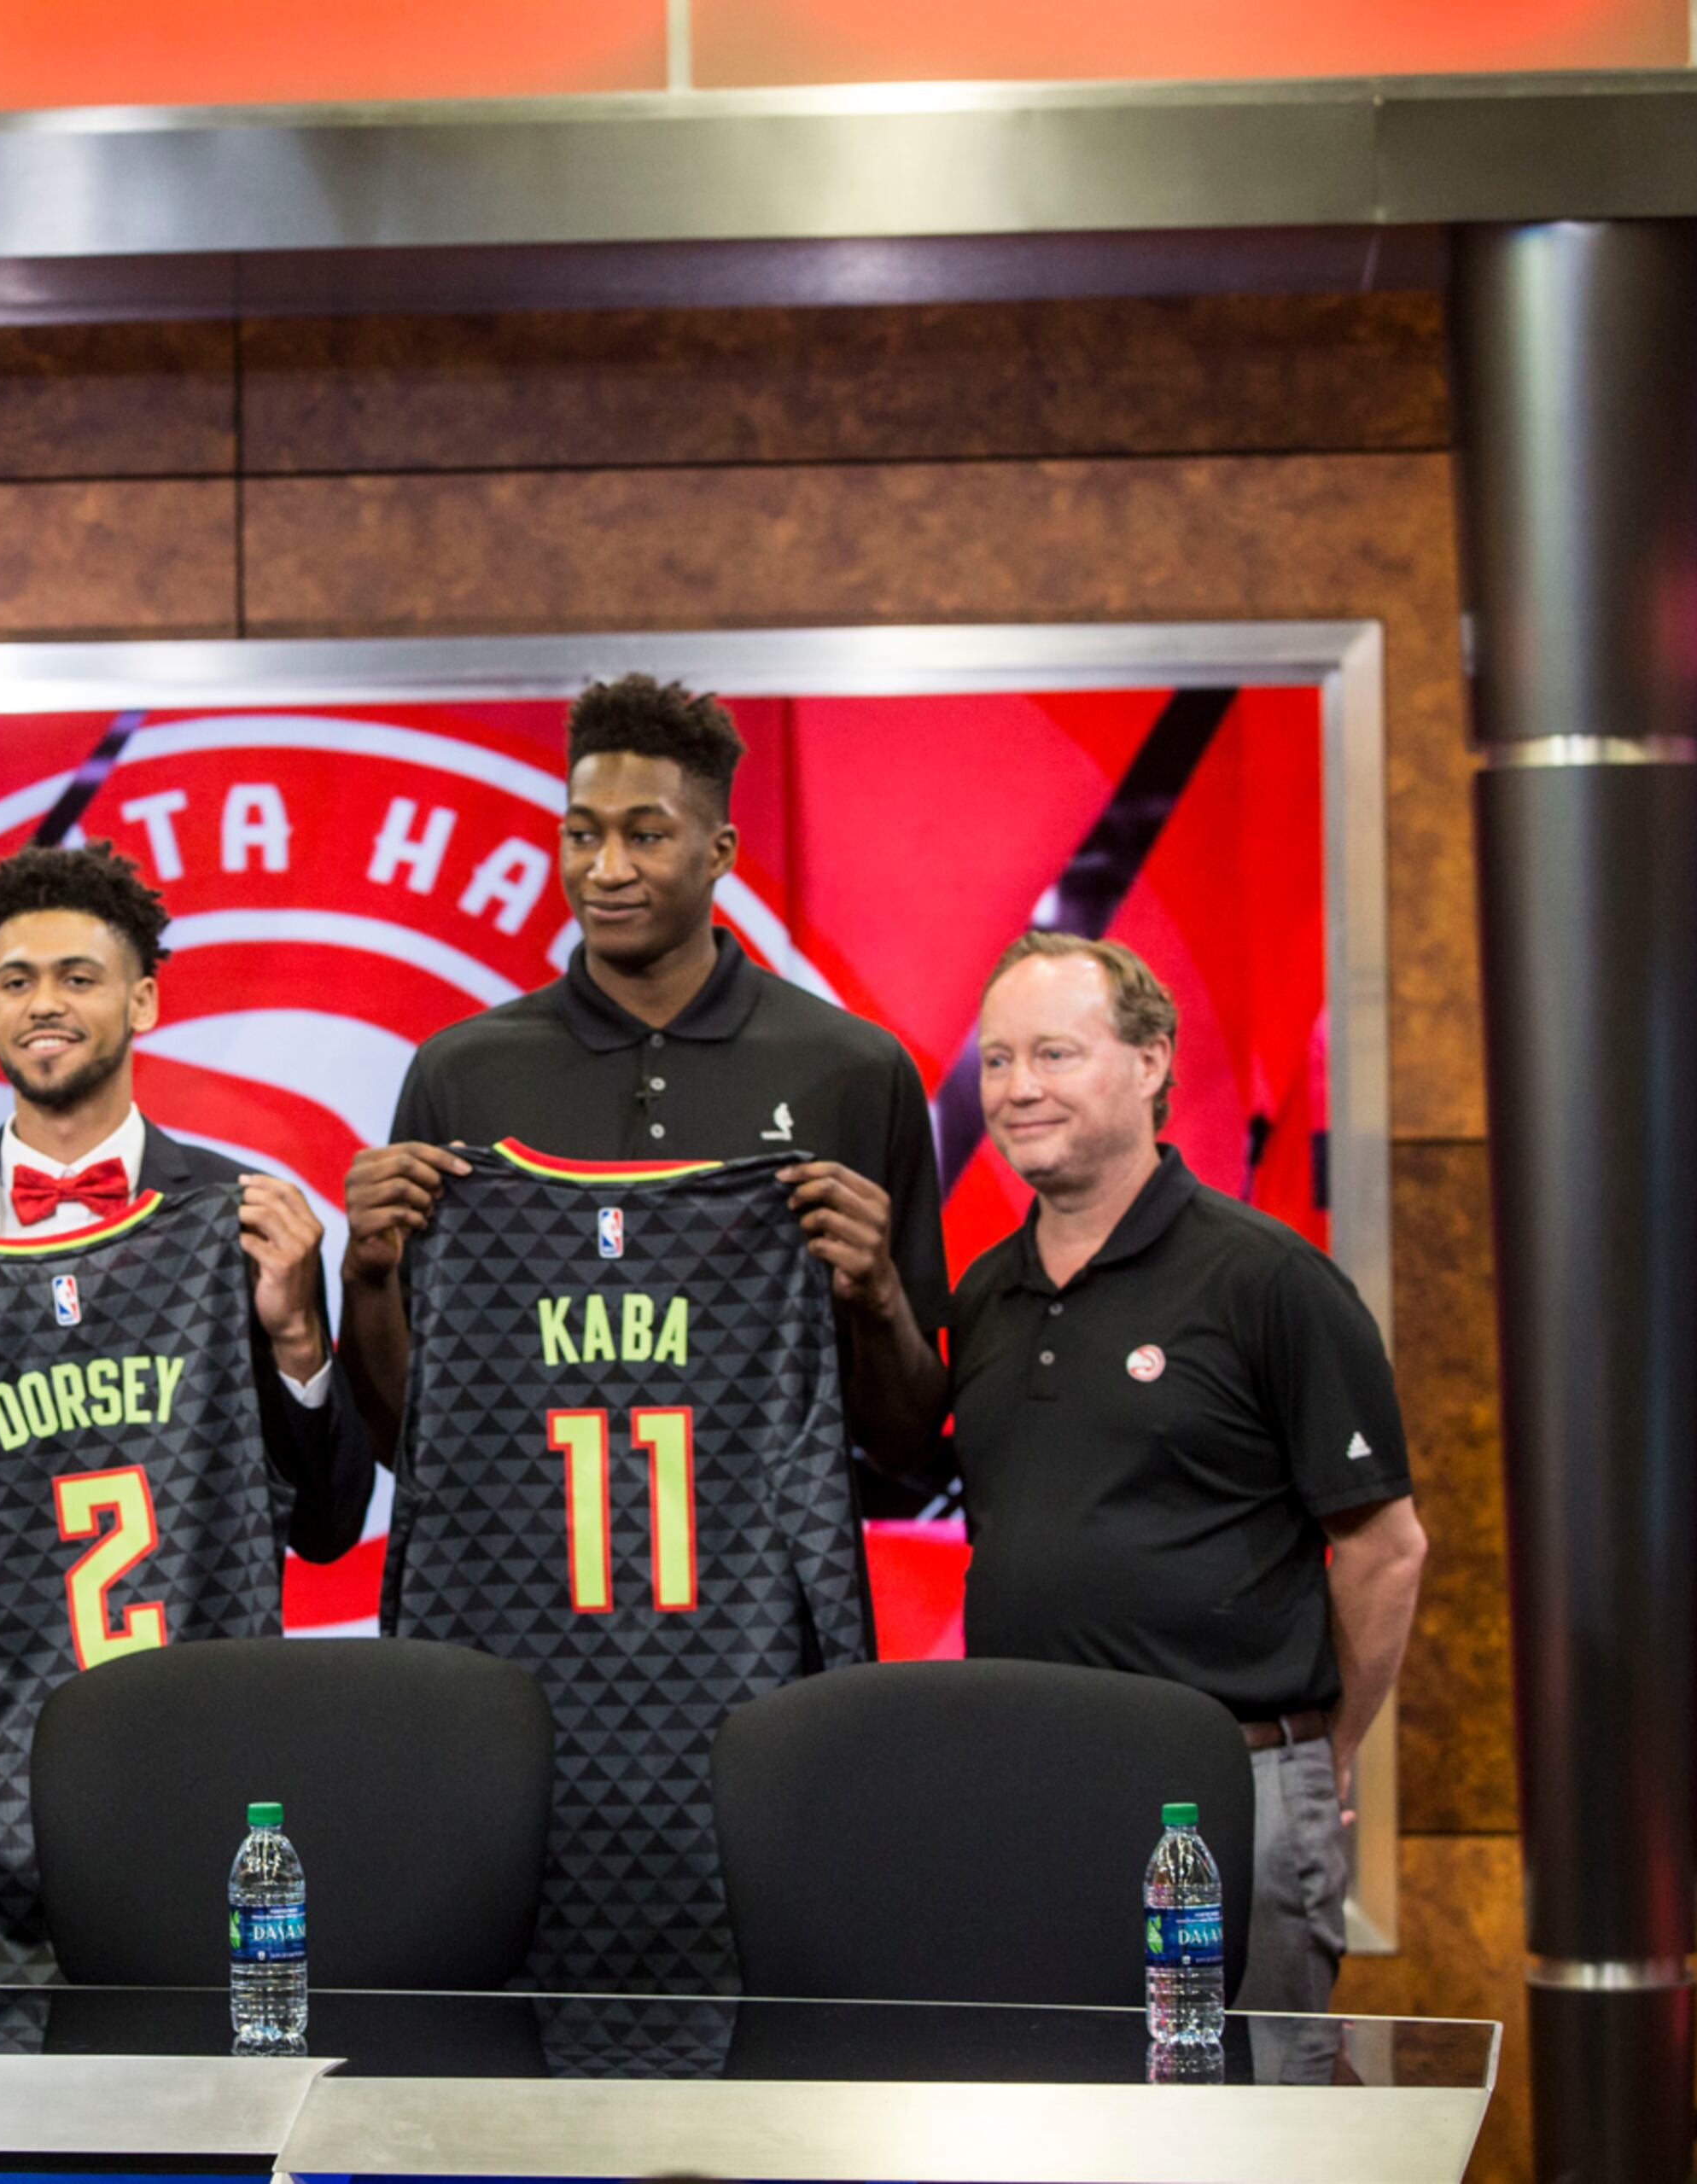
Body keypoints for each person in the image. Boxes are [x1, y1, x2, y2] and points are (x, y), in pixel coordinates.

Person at [947, 931, 1425, 2014]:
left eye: (1055, 1055)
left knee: (1243, 2140)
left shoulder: (1268, 1281)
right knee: (1057, 2134)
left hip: (1223, 1800)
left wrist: (1320, 1757)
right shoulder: (983, 1297)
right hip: (1026, 1793)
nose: (1019, 1089)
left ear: (1153, 1060)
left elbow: (1385, 1549)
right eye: (997, 1061)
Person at [339, 673, 948, 1478]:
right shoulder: (460, 1071)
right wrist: (366, 1277)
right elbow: (403, 1443)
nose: (606, 869)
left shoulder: (853, 1069)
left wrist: (877, 1299)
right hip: (518, 1591)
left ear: (720, 851)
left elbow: (908, 1444)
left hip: (764, 1597)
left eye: (647, 836)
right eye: (582, 835)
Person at [0, 842, 368, 1562]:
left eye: (77, 978)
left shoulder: (245, 1220)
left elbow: (326, 1528)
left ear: (142, 1000)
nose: (45, 1002)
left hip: (190, 1670)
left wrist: (299, 1339)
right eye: (17, 983)